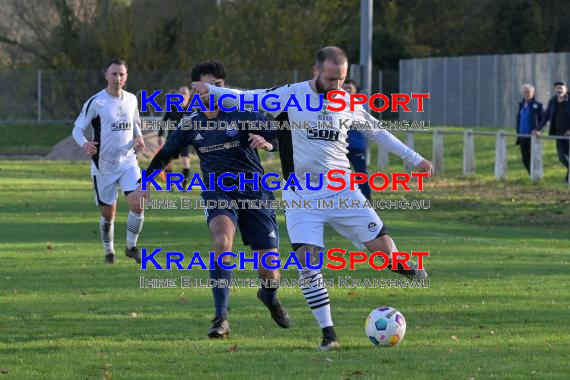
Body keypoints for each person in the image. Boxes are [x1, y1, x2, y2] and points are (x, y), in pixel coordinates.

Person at [192, 46, 433, 351]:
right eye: (332, 79)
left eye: (342, 79)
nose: (337, 86)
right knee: (308, 261)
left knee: (386, 255)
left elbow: (378, 132)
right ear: (316, 71)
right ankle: (328, 334)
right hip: (302, 196)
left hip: (343, 192)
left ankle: (402, 264)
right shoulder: (291, 95)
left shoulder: (347, 101)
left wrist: (415, 159)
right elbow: (249, 96)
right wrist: (212, 90)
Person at [141, 61, 290, 338]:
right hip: (218, 191)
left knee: (269, 270)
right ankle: (221, 318)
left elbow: (279, 137)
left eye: (219, 86)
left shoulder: (243, 111)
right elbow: (165, 154)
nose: (214, 91)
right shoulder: (190, 122)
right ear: (196, 89)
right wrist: (144, 183)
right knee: (222, 240)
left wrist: (266, 143)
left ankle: (269, 297)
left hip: (254, 192)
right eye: (208, 86)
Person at [72, 58, 145, 264]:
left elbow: (135, 122)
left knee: (138, 201)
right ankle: (109, 251)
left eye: (121, 74)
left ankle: (131, 247)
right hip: (103, 166)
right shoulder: (96, 102)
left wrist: (138, 137)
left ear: (126, 76)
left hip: (129, 161)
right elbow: (77, 129)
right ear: (106, 75)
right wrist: (85, 144)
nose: (118, 78)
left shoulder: (131, 99)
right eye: (114, 74)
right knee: (108, 213)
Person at [158, 86, 192, 188]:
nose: (183, 95)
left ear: (189, 96)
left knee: (186, 162)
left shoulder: (191, 110)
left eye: (185, 93)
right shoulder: (172, 107)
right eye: (181, 93)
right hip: (172, 139)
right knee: (168, 164)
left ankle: (184, 186)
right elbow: (164, 121)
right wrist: (160, 135)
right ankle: (170, 185)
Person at [343, 78, 371, 200]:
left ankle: (366, 199)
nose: (347, 90)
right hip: (339, 147)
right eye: (345, 88)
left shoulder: (359, 102)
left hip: (356, 146)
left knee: (361, 174)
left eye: (350, 88)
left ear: (355, 89)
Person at [539, 81, 570, 181]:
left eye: (561, 87)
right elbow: (546, 116)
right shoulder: (552, 101)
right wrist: (539, 129)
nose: (559, 89)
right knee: (562, 157)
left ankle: (567, 179)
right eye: (557, 87)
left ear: (566, 88)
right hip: (559, 135)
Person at [515, 84, 543, 174]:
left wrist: (539, 130)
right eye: (525, 92)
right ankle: (533, 175)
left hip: (533, 136)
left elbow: (543, 120)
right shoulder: (521, 105)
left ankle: (536, 176)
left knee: (533, 158)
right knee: (525, 159)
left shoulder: (537, 106)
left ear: (533, 93)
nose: (526, 94)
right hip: (522, 136)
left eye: (528, 92)